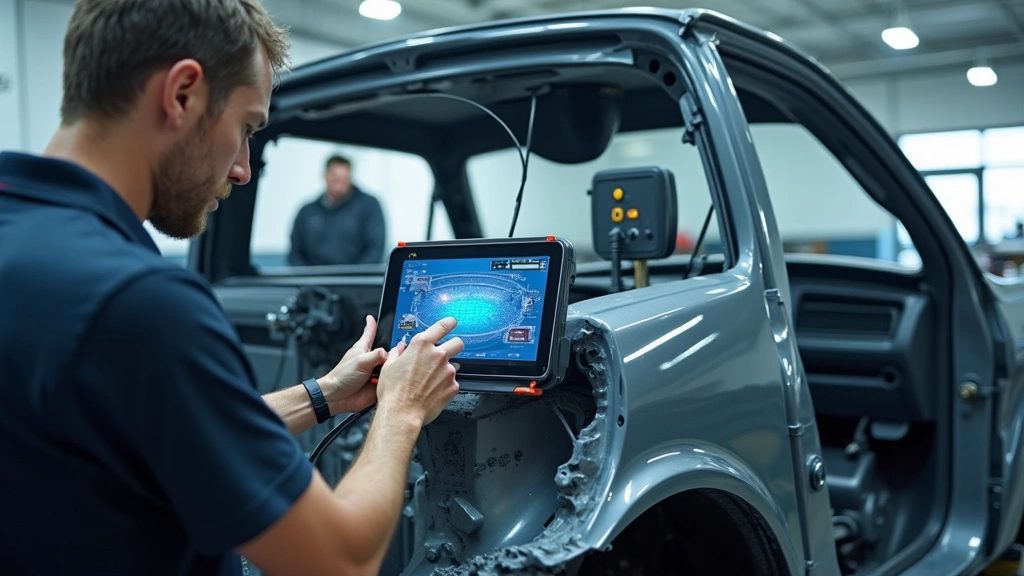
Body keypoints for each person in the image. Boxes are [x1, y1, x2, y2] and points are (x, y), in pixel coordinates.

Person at [0, 1, 461, 575]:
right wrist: (401, 408)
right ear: (182, 94)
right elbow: (342, 561)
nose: (243, 167)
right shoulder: (141, 303)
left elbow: (175, 432)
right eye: (245, 127)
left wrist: (323, 395)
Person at [288, 155, 387, 266]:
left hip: (356, 275)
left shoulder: (369, 206)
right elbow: (296, 253)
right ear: (325, 176)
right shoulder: (307, 212)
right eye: (335, 179)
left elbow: (375, 249)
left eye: (344, 180)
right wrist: (309, 276)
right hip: (313, 276)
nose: (339, 187)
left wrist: (355, 275)